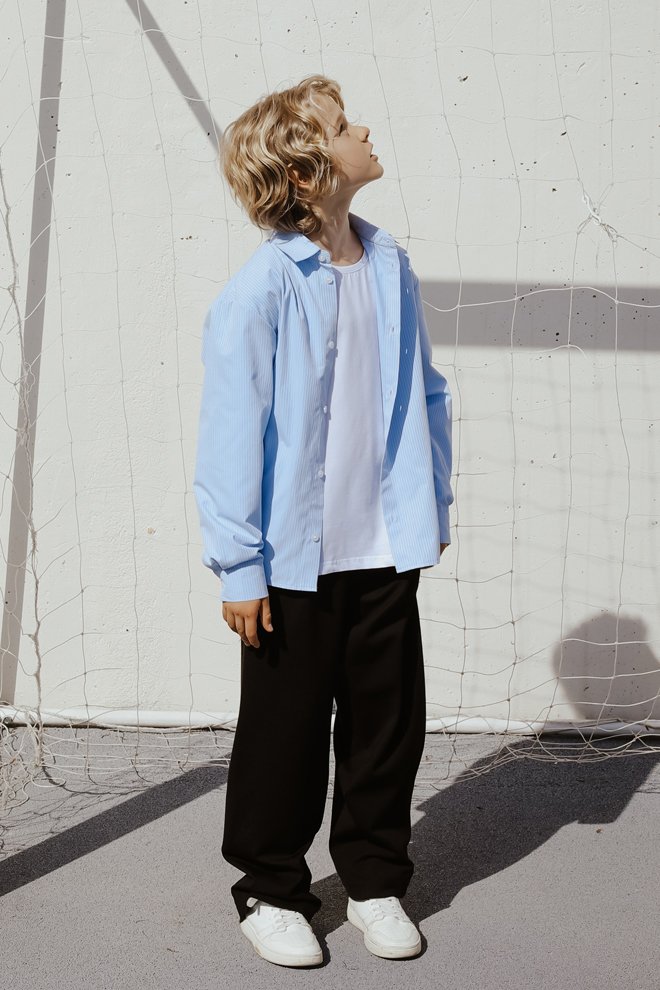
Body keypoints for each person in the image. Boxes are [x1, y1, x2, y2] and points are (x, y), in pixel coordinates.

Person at [193, 73, 454, 968]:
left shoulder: (389, 264)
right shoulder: (261, 291)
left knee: (387, 726)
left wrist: (431, 502)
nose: (365, 130)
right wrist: (239, 566)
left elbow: (426, 391)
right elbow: (231, 437)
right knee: (286, 732)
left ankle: (375, 880)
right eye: (344, 127)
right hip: (290, 564)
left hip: (384, 548)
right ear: (306, 173)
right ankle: (269, 888)